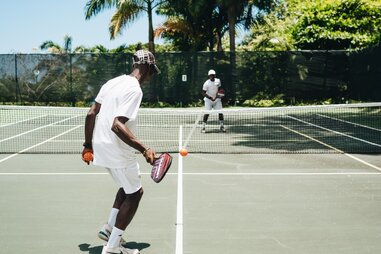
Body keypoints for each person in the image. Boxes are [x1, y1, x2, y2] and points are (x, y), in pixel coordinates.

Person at [82, 49, 160, 254]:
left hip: (100, 146)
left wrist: (88, 145)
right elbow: (117, 125)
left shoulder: (112, 82)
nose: (152, 76)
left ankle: (109, 228)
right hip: (116, 148)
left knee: (126, 188)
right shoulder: (135, 90)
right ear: (148, 67)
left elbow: (91, 113)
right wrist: (145, 149)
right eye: (153, 71)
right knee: (135, 194)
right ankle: (113, 246)